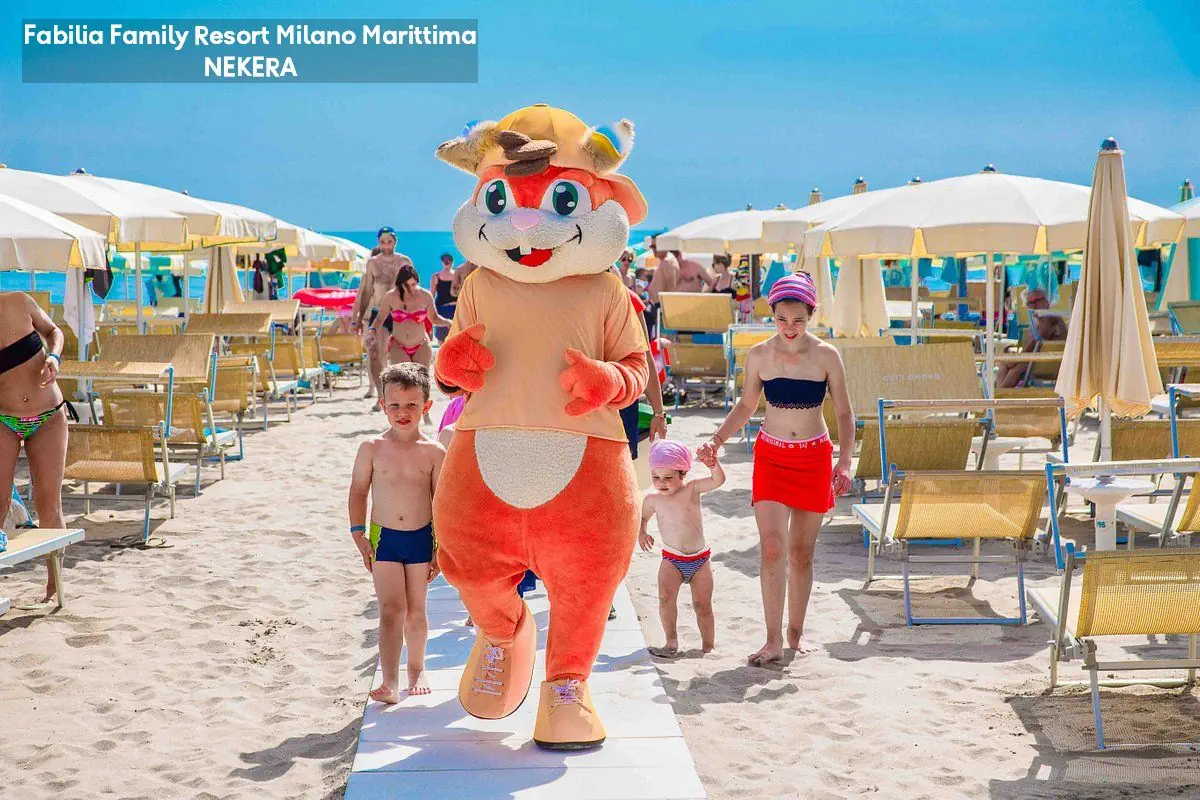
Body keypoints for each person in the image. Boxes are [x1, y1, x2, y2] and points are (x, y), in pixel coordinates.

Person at [698, 273, 854, 666]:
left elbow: (844, 413)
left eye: (798, 320)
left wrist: (845, 461)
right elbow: (746, 406)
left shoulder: (827, 356)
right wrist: (716, 440)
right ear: (772, 315)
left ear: (810, 315)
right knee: (771, 548)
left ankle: (795, 634)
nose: (789, 327)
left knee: (801, 554)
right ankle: (772, 641)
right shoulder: (759, 355)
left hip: (813, 458)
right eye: (782, 319)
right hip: (771, 457)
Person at [348, 363, 445, 703]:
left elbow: (442, 501)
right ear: (382, 405)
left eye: (411, 405)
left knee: (416, 611)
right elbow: (359, 491)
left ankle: (416, 670)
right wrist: (358, 533)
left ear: (426, 406)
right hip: (385, 538)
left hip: (421, 538)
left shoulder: (434, 452)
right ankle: (389, 681)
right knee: (391, 610)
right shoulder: (371, 448)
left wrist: (441, 547)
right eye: (395, 405)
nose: (402, 412)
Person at [0, 292, 69, 604]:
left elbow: (55, 331)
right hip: (3, 419)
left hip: (49, 416)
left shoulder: (20, 301)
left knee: (49, 506)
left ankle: (55, 586)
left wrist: (53, 357)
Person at [638, 440, 724, 657]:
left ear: (683, 473)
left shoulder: (692, 489)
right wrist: (642, 532)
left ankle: (708, 646)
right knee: (665, 598)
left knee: (702, 605)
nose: (661, 483)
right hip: (672, 559)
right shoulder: (652, 500)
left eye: (668, 477)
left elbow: (718, 480)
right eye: (656, 477)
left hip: (700, 560)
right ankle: (671, 641)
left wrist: (713, 464)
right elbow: (642, 518)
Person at [370, 265, 452, 424]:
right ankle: (404, 415)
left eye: (414, 284)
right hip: (398, 344)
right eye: (408, 285)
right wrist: (372, 331)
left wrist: (448, 322)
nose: (412, 288)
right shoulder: (391, 297)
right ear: (400, 284)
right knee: (402, 381)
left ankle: (425, 414)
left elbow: (434, 318)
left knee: (422, 381)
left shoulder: (425, 296)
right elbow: (380, 318)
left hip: (421, 343)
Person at [351, 227, 415, 400]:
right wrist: (358, 319)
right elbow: (366, 292)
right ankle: (381, 395)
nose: (386, 246)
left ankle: (403, 393)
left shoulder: (404, 261)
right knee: (374, 354)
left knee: (402, 356)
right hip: (378, 312)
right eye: (383, 242)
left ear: (395, 242)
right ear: (379, 242)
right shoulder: (373, 263)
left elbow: (413, 289)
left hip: (401, 313)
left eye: (389, 242)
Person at [996, 288, 1069, 388]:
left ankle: (999, 394)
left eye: (1036, 301)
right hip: (1040, 358)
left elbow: (1036, 342)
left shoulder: (1049, 317)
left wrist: (1017, 359)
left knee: (1016, 369)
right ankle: (999, 394)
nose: (1033, 306)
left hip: (1051, 361)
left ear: (1046, 302)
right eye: (1030, 303)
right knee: (1003, 364)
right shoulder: (1039, 319)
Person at [430, 253, 458, 343]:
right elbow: (431, 295)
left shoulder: (457, 276)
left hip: (455, 308)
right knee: (442, 336)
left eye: (448, 261)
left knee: (455, 334)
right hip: (442, 309)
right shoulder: (436, 276)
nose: (447, 263)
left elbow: (431, 295)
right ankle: (442, 351)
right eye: (445, 261)